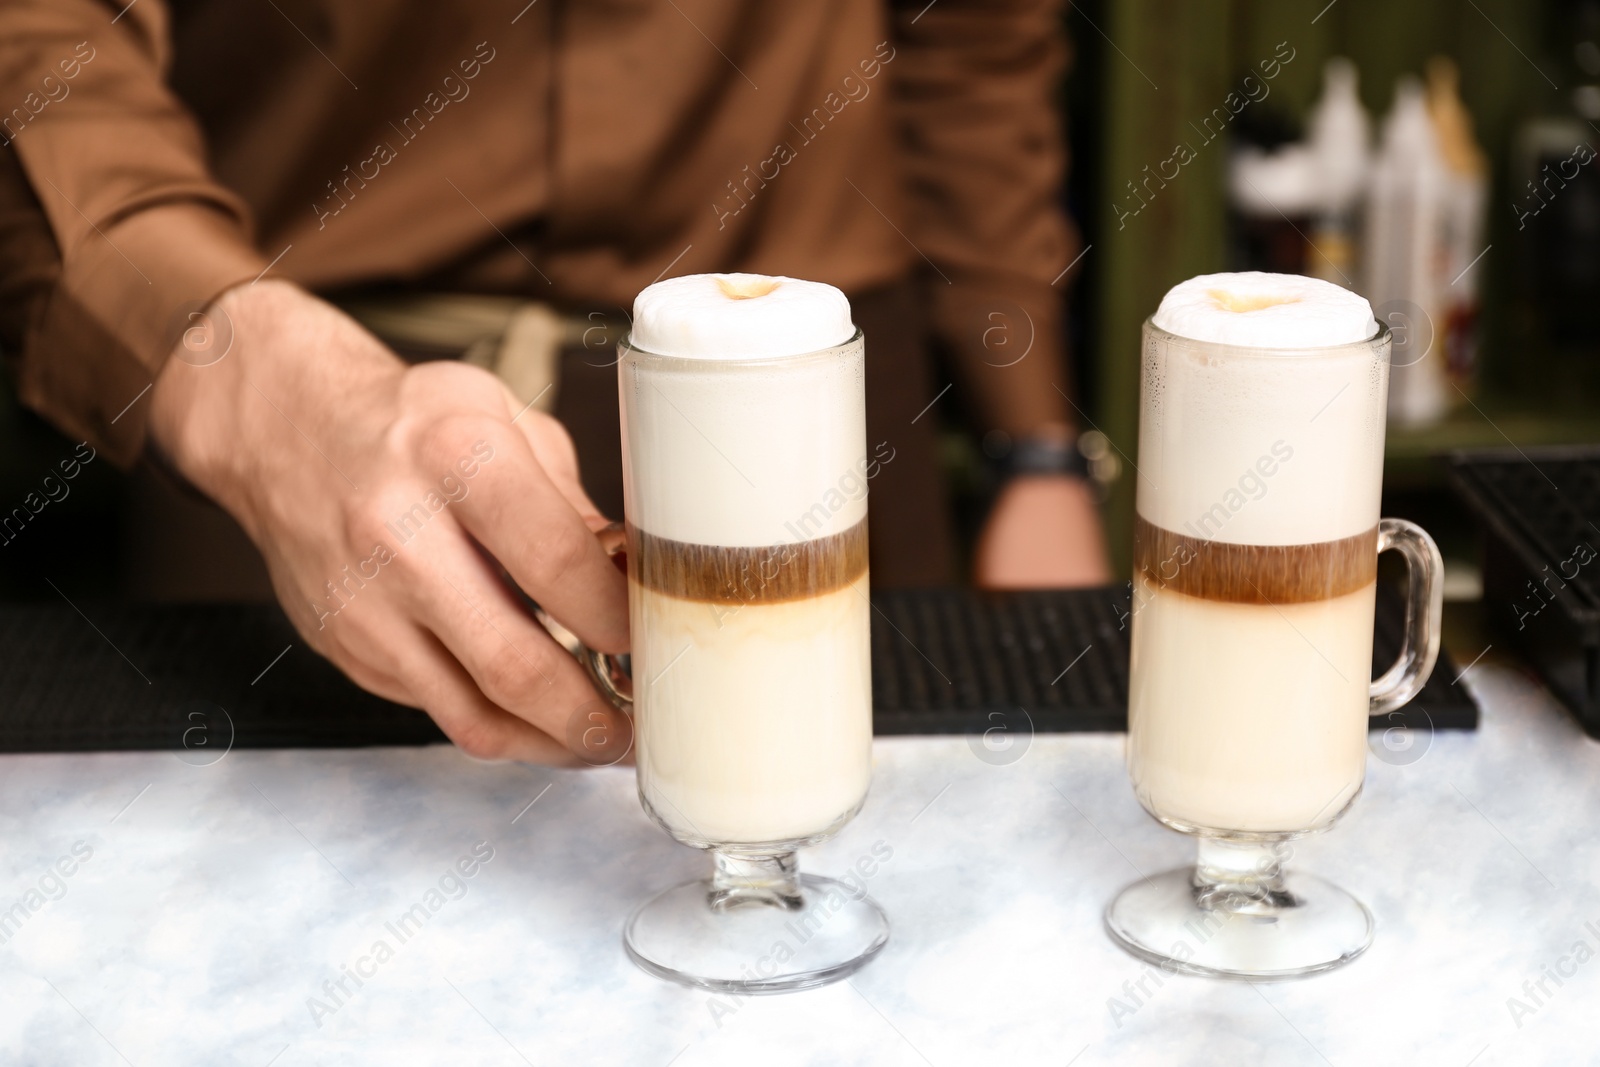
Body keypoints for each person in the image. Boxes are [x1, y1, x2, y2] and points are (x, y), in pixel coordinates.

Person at [0, 0, 1107, 764]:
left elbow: (968, 43)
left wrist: (1035, 447)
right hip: (311, 463)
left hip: (821, 432)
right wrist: (253, 394)